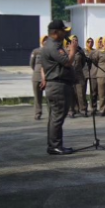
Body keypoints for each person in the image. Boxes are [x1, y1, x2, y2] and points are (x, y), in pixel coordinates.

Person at [40, 20, 76, 155]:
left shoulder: (53, 45)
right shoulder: (53, 46)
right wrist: (72, 51)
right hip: (57, 85)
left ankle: (54, 145)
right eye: (63, 31)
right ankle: (55, 146)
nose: (65, 33)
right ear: (55, 32)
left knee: (55, 116)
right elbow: (67, 62)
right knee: (57, 117)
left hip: (57, 84)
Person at [68, 35, 89, 117]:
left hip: (79, 75)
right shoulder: (67, 51)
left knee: (81, 93)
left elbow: (83, 62)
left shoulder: (81, 51)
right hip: (69, 75)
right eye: (73, 40)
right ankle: (71, 110)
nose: (75, 42)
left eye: (76, 40)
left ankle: (83, 109)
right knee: (71, 94)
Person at [30, 35, 47, 120]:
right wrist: (37, 70)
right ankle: (38, 113)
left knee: (50, 96)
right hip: (37, 76)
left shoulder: (50, 51)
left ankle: (52, 113)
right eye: (45, 40)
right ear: (41, 41)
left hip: (48, 76)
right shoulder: (36, 51)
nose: (46, 42)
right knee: (37, 96)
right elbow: (32, 64)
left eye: (47, 40)